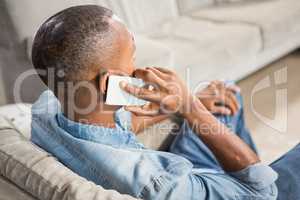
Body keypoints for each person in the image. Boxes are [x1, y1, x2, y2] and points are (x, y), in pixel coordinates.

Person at [30, 5, 278, 200]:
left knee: (225, 96)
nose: (136, 66)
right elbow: (261, 190)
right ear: (109, 82)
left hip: (182, 175)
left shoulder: (46, 108)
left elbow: (118, 131)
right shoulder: (158, 185)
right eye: (133, 57)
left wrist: (182, 105)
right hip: (195, 184)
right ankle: (234, 169)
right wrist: (192, 108)